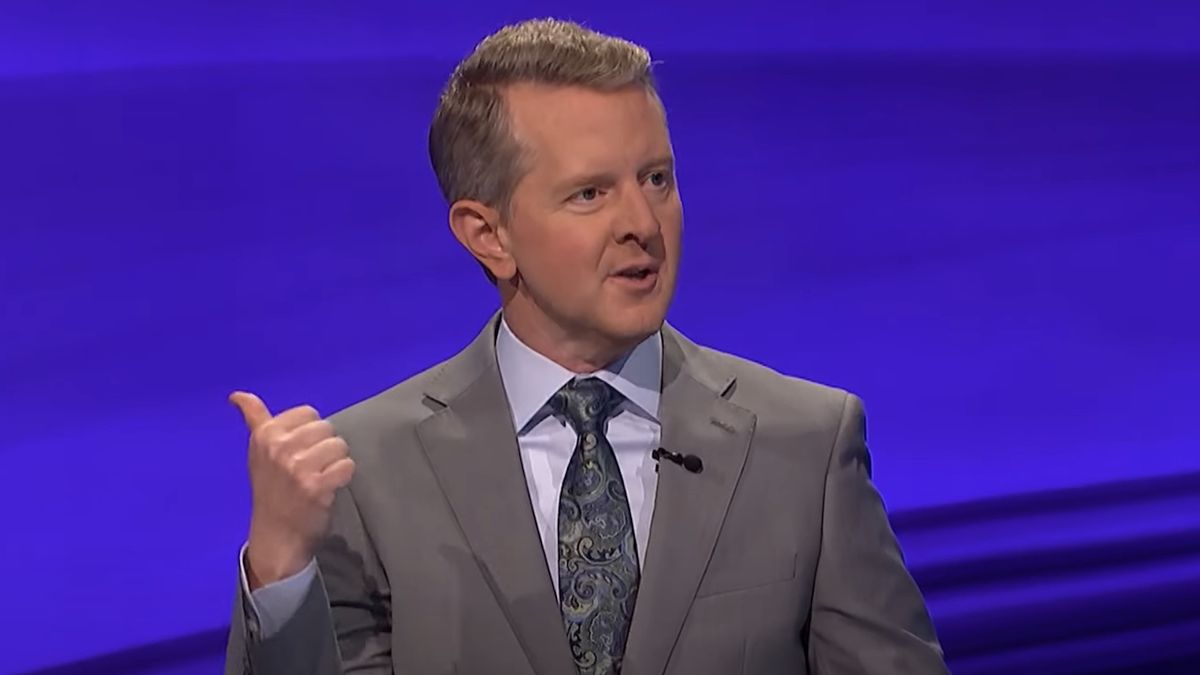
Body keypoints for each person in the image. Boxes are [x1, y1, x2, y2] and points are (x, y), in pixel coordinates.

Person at [223, 18, 948, 675]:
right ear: (488, 234)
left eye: (657, 179)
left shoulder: (806, 445)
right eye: (590, 194)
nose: (643, 222)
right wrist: (283, 568)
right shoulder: (368, 474)